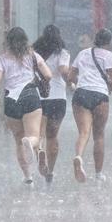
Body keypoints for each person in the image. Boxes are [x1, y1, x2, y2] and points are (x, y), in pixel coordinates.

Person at [0, 27, 52, 186]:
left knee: (18, 140)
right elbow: (48, 75)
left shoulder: (2, 59)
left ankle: (28, 176)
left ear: (8, 42)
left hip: (11, 101)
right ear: (25, 40)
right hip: (30, 96)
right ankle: (32, 143)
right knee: (34, 135)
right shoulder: (33, 55)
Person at [68, 28, 112, 184]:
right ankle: (98, 174)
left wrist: (78, 84)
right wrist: (110, 83)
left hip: (81, 93)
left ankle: (78, 156)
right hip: (100, 95)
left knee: (83, 132)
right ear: (109, 42)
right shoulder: (108, 56)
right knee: (99, 136)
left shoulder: (83, 53)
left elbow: (70, 76)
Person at [33, 25, 71, 186]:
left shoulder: (34, 53)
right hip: (57, 98)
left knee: (39, 134)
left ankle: (40, 152)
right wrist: (72, 80)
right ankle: (50, 171)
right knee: (53, 136)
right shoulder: (62, 53)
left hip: (39, 97)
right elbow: (63, 70)